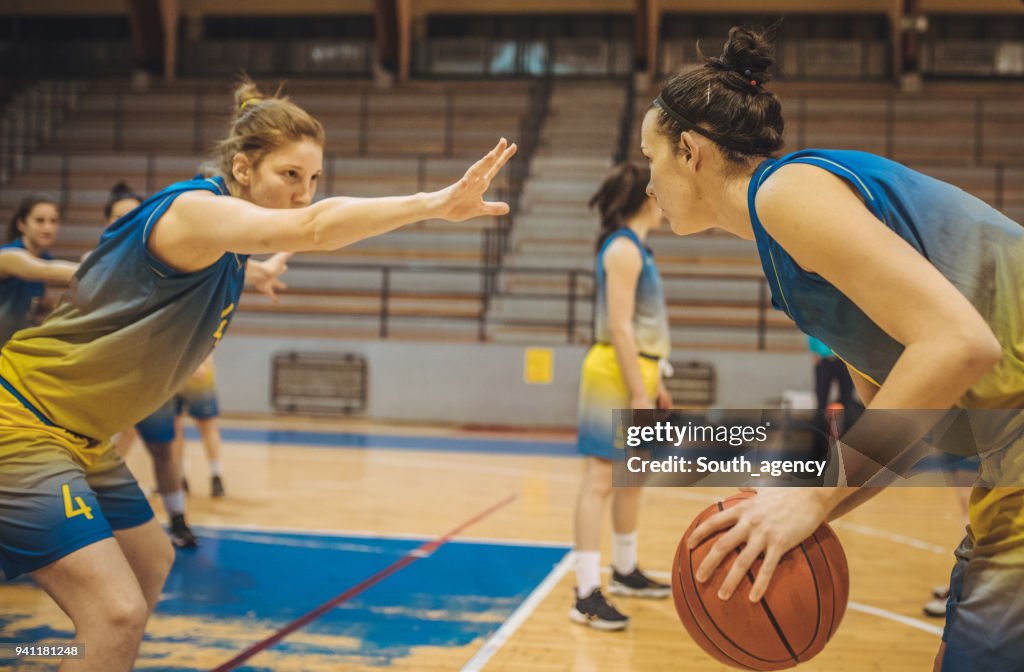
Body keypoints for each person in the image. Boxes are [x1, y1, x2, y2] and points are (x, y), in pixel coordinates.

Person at [0, 77, 515, 671]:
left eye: (314, 179)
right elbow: (318, 227)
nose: (304, 193)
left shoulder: (228, 240)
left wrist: (256, 273)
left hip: (81, 436)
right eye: (289, 176)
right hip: (25, 422)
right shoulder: (194, 211)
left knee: (150, 565)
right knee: (115, 613)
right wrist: (434, 204)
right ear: (242, 169)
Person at [640, 27, 1022, 670]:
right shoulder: (790, 272)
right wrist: (809, 503)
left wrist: (815, 498)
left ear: (689, 150)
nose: (646, 182)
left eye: (648, 157)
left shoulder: (787, 192)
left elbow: (961, 343)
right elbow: (907, 432)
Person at [571, 163, 673, 631]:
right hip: (614, 371)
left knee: (632, 476)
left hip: (637, 370)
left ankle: (626, 570)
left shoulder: (636, 249)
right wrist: (638, 390)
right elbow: (619, 326)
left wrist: (655, 384)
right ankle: (586, 593)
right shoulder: (623, 251)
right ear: (646, 198)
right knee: (599, 480)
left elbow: (642, 329)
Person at [0, 195, 78, 344]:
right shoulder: (8, 255)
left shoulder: (45, 257)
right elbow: (46, 269)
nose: (48, 228)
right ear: (22, 224)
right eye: (39, 220)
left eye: (53, 221)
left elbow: (33, 306)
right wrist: (99, 267)